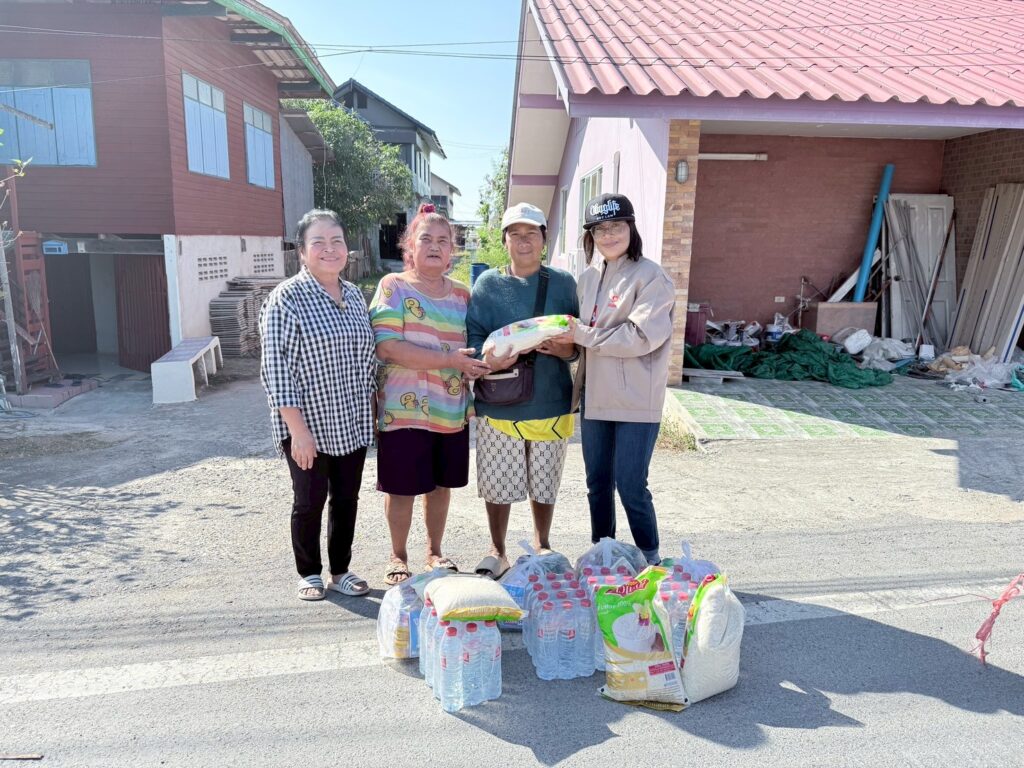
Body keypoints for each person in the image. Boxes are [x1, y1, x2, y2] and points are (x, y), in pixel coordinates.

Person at [259, 209, 377, 601]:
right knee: (309, 500)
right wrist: (298, 432)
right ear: (302, 251)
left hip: (351, 419)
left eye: (337, 241)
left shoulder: (354, 295)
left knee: (346, 499)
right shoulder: (286, 299)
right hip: (306, 423)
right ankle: (309, 572)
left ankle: (340, 570)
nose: (330, 249)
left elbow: (367, 359)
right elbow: (276, 369)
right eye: (319, 242)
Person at [370, 203, 490, 585]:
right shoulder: (393, 286)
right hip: (402, 410)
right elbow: (388, 347)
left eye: (443, 240)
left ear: (452, 250)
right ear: (410, 245)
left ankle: (435, 551)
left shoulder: (464, 295)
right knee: (401, 488)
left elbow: (478, 346)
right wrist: (451, 360)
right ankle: (398, 555)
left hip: (449, 409)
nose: (435, 246)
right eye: (426, 239)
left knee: (440, 486)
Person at [556, 193, 676, 565]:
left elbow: (638, 337)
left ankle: (650, 558)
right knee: (597, 483)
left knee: (631, 485)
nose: (609, 235)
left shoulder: (652, 277)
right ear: (590, 236)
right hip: (595, 396)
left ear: (631, 228)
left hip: (637, 399)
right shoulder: (587, 279)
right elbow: (579, 340)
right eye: (600, 229)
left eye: (617, 226)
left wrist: (581, 334)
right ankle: (603, 552)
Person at [466, 202, 579, 578]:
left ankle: (542, 543)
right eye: (515, 234)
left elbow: (577, 339)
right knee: (497, 480)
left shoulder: (563, 283)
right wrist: (490, 360)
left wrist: (564, 350)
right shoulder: (488, 284)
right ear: (505, 240)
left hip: (551, 397)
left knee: (545, 479)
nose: (523, 241)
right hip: (499, 400)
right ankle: (497, 550)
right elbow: (475, 335)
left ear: (545, 239)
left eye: (531, 233)